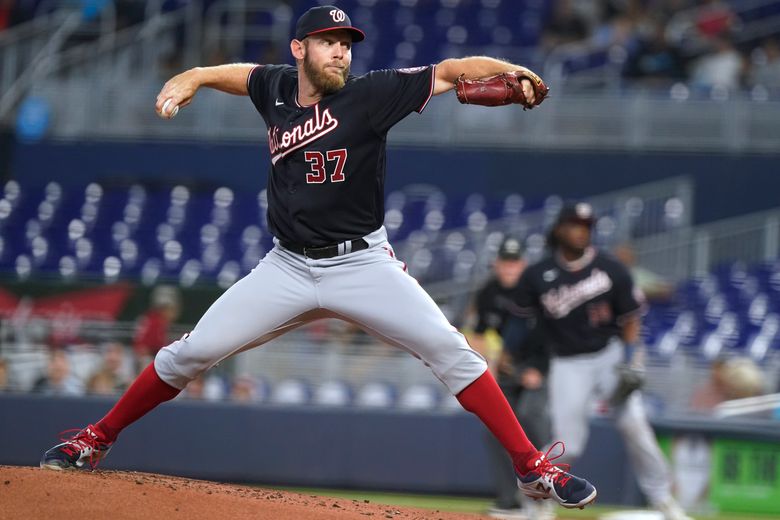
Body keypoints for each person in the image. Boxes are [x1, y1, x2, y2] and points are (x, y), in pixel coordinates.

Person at [40, 5, 596, 510]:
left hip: (361, 265)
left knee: (452, 350)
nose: (340, 51)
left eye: (346, 43)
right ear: (299, 49)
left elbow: (451, 71)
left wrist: (509, 69)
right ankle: (96, 438)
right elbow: (244, 77)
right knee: (192, 352)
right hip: (286, 266)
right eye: (328, 41)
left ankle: (532, 468)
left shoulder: (372, 94)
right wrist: (196, 76)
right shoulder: (278, 89)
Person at [512, 202, 691, 520]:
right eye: (574, 224)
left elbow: (631, 318)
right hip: (568, 363)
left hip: (608, 355)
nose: (582, 230)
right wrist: (520, 359)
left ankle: (664, 499)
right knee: (569, 443)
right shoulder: (537, 275)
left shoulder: (610, 267)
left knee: (635, 425)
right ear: (559, 229)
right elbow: (523, 324)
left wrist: (631, 359)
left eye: (586, 225)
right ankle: (539, 498)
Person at [470, 237, 554, 520]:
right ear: (497, 264)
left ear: (523, 265)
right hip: (505, 370)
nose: (509, 269)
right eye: (505, 263)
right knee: (493, 428)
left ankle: (546, 494)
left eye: (514, 263)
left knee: (532, 417)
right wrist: (486, 366)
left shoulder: (536, 291)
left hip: (537, 368)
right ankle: (510, 500)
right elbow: (479, 335)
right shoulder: (488, 293)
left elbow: (552, 336)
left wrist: (538, 369)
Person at [132, 285, 181, 372]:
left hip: (148, 359)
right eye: (170, 309)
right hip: (145, 360)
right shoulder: (155, 322)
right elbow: (144, 349)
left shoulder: (156, 319)